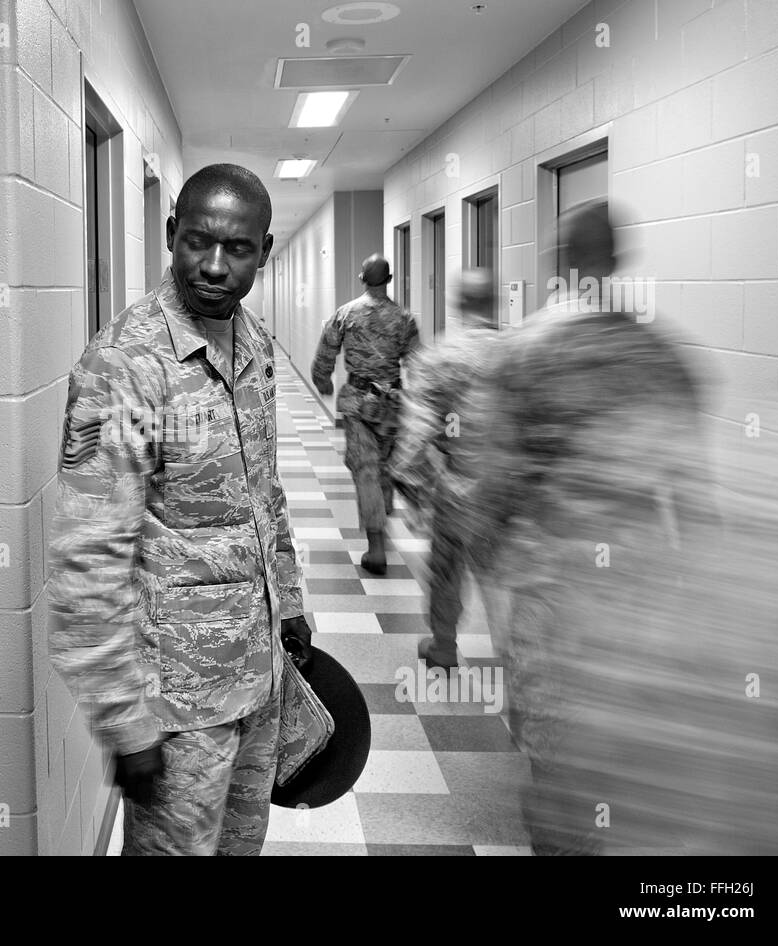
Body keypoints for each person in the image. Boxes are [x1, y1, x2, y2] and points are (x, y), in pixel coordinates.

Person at [47, 163, 310, 856]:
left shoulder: (252, 343)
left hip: (257, 672)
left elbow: (264, 488)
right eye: (198, 242)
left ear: (264, 250)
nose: (215, 266)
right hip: (177, 704)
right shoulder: (123, 365)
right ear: (170, 234)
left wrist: (289, 598)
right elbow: (87, 555)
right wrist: (122, 720)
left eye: (238, 248)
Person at [468, 201, 713, 854]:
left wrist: (484, 564)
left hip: (551, 591)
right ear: (617, 261)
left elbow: (492, 483)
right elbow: (695, 500)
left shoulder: (520, 356)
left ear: (560, 265)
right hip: (640, 589)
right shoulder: (665, 359)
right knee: (621, 752)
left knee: (556, 767)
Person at [392, 268, 505, 669]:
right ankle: (515, 661)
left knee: (446, 568)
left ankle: (443, 644)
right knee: (505, 581)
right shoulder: (520, 352)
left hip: (457, 488)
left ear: (458, 304)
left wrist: (416, 494)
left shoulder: (439, 356)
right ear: (497, 302)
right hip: (506, 494)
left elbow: (417, 433)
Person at [311, 254, 419, 574]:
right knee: (383, 468)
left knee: (366, 470)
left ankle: (376, 548)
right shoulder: (404, 319)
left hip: (358, 403)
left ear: (362, 278)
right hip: (392, 404)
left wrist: (323, 380)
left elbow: (325, 352)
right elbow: (418, 364)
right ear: (389, 279)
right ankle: (381, 523)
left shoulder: (346, 314)